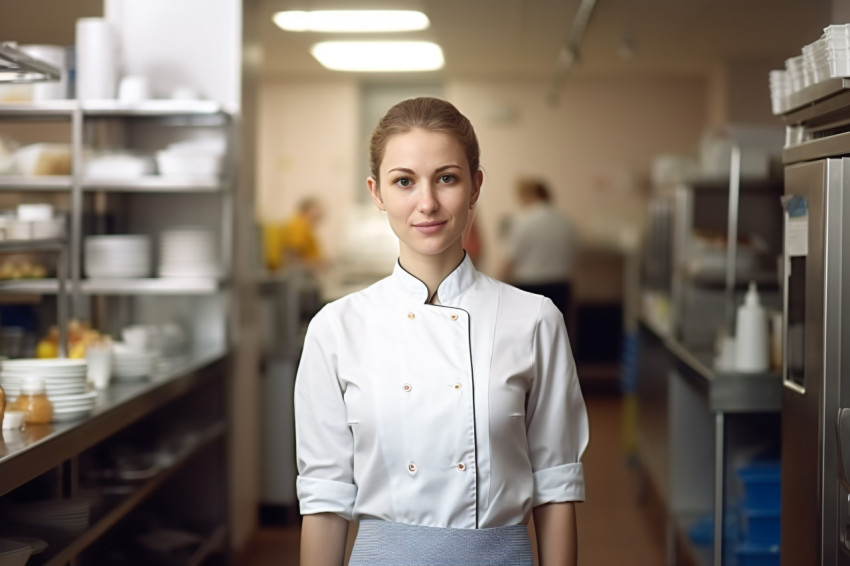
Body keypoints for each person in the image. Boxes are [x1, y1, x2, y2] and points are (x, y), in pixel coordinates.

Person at [294, 97, 588, 566]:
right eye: (404, 181)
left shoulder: (534, 320)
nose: (426, 202)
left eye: (446, 178)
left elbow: (555, 486)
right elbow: (325, 500)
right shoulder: (336, 328)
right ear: (377, 193)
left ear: (475, 186)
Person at [502, 179, 576, 335]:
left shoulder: (523, 220)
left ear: (531, 195)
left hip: (530, 286)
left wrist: (497, 283)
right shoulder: (566, 221)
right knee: (557, 333)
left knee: (530, 336)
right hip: (560, 285)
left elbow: (510, 258)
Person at [262, 197, 326, 272]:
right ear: (306, 209)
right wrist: (317, 264)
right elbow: (292, 258)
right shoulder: (299, 225)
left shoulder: (305, 227)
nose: (321, 213)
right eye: (317, 209)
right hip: (300, 275)